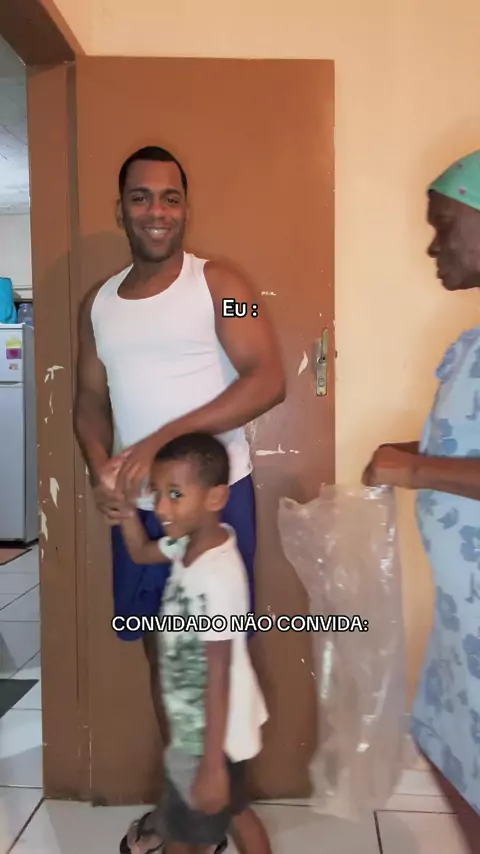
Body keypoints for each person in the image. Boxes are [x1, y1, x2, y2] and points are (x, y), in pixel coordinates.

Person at [73, 145, 285, 853]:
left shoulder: (222, 284)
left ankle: (214, 809)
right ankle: (189, 807)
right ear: (121, 210)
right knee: (166, 664)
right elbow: (89, 399)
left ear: (186, 207)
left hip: (213, 513)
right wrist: (103, 466)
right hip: (138, 510)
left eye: (170, 197)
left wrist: (162, 438)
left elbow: (268, 378)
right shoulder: (100, 303)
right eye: (141, 197)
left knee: (213, 659)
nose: (156, 211)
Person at [363, 148, 480, 851]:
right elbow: (460, 444)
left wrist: (412, 470)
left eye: (445, 224)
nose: (433, 245)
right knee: (445, 743)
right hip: (464, 614)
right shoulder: (471, 343)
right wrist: (408, 453)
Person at [117, 432, 271, 854]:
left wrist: (212, 763)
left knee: (190, 828)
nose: (161, 508)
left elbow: (218, 674)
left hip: (212, 730)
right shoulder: (190, 543)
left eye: (175, 494)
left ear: (216, 496)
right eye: (157, 493)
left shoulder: (215, 578)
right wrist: (126, 510)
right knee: (233, 812)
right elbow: (141, 552)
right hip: (199, 724)